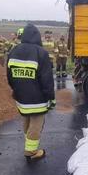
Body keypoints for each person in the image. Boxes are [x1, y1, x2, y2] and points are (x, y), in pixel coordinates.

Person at [7, 24, 55, 161]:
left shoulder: (14, 50)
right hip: (37, 97)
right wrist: (50, 97)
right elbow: (46, 79)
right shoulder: (41, 52)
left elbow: (9, 75)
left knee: (26, 118)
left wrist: (15, 89)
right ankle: (31, 151)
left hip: (20, 96)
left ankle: (28, 141)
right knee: (36, 121)